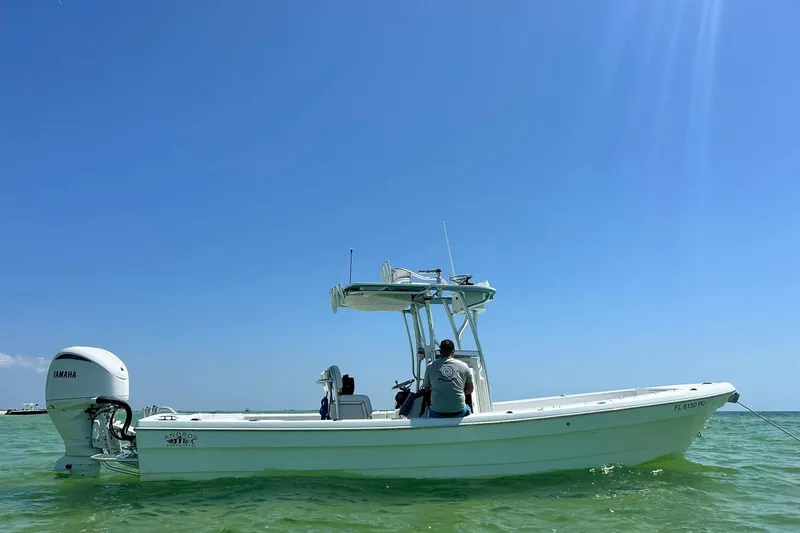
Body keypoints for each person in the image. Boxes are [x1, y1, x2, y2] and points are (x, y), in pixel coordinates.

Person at [421, 339, 474, 417]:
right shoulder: (464, 366)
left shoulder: (430, 366)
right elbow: (470, 389)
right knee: (469, 408)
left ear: (440, 351)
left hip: (437, 412)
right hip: (459, 411)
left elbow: (426, 388)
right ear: (453, 351)